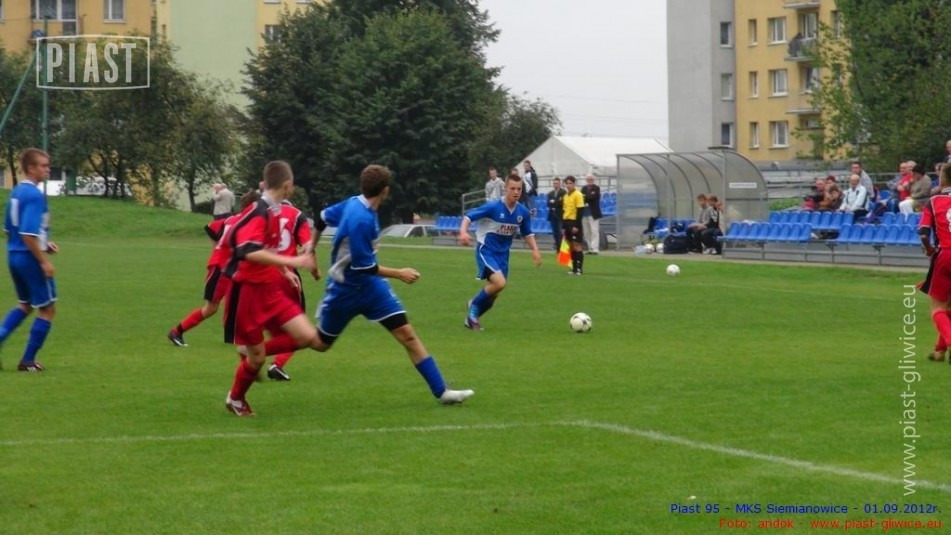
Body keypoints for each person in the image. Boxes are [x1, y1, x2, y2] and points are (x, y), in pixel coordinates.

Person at [240, 164, 474, 416]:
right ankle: (254, 351)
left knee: (407, 335)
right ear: (385, 191)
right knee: (319, 343)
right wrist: (399, 273)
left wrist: (311, 247)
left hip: (373, 289)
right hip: (345, 290)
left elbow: (321, 218)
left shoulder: (354, 203)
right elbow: (365, 267)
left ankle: (441, 391)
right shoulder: (361, 219)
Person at [167, 190, 260, 347]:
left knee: (241, 301)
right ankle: (177, 332)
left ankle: (236, 337)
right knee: (211, 308)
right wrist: (218, 253)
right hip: (221, 269)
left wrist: (217, 250)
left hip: (227, 268)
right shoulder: (245, 222)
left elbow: (211, 227)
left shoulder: (232, 219)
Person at [458, 173, 542, 330]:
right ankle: (474, 304)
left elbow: (527, 233)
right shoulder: (493, 207)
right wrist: (463, 232)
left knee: (494, 293)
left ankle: (472, 319)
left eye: (519, 189)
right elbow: (468, 217)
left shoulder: (522, 212)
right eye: (512, 188)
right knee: (499, 283)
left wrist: (535, 250)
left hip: (503, 255)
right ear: (505, 189)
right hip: (486, 250)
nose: (516, 192)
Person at [0, 148, 58, 372]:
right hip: (29, 259)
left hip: (14, 256)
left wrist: (44, 244)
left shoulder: (16, 192)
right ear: (31, 168)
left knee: (25, 305)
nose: (48, 169)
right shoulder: (34, 195)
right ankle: (27, 361)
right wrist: (43, 261)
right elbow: (27, 234)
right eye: (43, 165)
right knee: (48, 309)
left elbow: (9, 230)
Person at [265, 197, 313, 381]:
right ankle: (276, 363)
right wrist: (314, 268)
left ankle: (252, 357)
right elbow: (308, 246)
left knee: (270, 322)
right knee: (300, 329)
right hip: (288, 276)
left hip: (264, 274)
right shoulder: (297, 215)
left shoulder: (264, 213)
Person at [917, 164, 951, 363]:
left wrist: (930, 249)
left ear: (942, 180)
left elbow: (923, 233)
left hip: (945, 255)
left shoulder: (934, 201)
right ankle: (939, 351)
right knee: (949, 307)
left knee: (938, 308)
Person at [561, 176, 586, 275]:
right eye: (567, 183)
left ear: (574, 184)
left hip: (574, 222)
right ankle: (573, 268)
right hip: (567, 222)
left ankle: (579, 268)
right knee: (570, 246)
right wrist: (563, 226)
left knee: (577, 245)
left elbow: (580, 211)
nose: (568, 185)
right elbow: (564, 211)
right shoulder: (565, 196)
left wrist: (577, 226)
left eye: (570, 183)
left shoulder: (578, 195)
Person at [581, 174, 602, 255]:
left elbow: (593, 197)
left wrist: (586, 197)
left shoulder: (596, 188)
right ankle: (590, 248)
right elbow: (581, 198)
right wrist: (587, 197)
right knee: (586, 232)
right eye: (588, 179)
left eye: (591, 179)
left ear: (593, 180)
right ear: (586, 180)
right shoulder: (584, 188)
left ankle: (595, 248)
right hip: (584, 213)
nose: (590, 180)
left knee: (594, 231)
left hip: (593, 213)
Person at [546, 177, 566, 253]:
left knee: (560, 232)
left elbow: (562, 203)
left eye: (557, 183)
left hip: (560, 215)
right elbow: (548, 203)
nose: (555, 185)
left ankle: (561, 248)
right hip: (552, 215)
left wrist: (554, 202)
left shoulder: (563, 192)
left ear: (560, 184)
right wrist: (556, 202)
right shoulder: (550, 193)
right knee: (555, 233)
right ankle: (558, 248)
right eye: (554, 183)